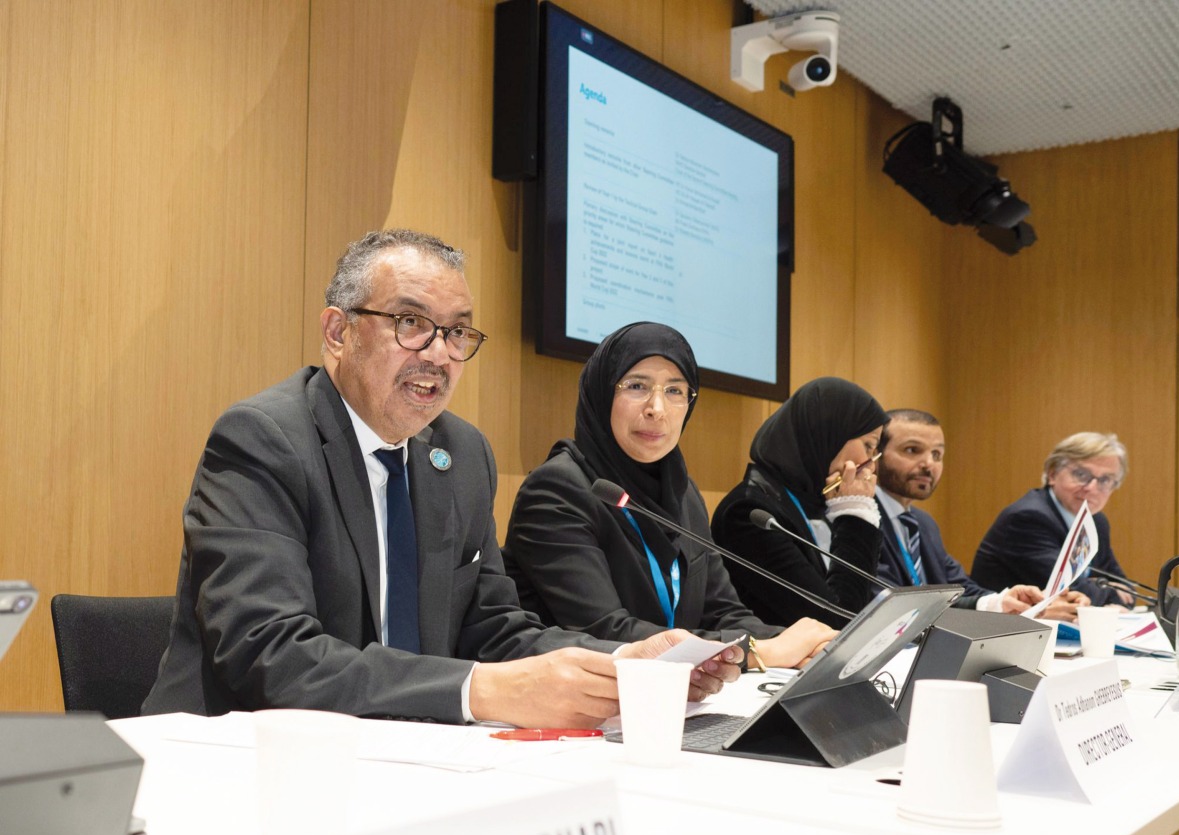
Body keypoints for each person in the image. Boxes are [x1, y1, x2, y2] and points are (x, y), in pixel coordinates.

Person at [142, 229, 740, 728]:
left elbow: (494, 631)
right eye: (410, 322)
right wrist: (480, 690)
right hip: (243, 759)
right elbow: (269, 654)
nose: (437, 354)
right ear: (338, 333)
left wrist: (624, 662)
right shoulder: (265, 439)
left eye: (456, 332)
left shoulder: (461, 453)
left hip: (409, 754)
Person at [502, 323, 837, 669]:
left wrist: (807, 647)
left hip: (676, 689)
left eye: (675, 390)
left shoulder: (683, 492)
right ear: (602, 393)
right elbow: (604, 631)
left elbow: (724, 612)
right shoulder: (556, 489)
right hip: (587, 696)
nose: (657, 408)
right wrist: (756, 652)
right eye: (637, 386)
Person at [874, 410, 1089, 620]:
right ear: (875, 455)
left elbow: (959, 588)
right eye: (912, 450)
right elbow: (891, 607)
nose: (928, 464)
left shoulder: (922, 523)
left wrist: (1011, 602)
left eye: (937, 455)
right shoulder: (865, 521)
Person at [710, 377, 887, 628]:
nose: (871, 465)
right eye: (868, 446)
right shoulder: (749, 514)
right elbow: (837, 623)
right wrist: (854, 518)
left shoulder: (821, 502)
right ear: (827, 434)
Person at [971, 432, 1134, 608]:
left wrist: (1105, 591)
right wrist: (1108, 593)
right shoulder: (1027, 518)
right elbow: (1068, 591)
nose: (1092, 488)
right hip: (1002, 623)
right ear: (1052, 474)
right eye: (1081, 474)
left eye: (1105, 480)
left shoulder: (1096, 521)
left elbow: (1127, 590)